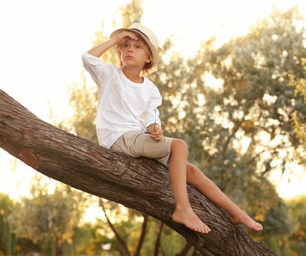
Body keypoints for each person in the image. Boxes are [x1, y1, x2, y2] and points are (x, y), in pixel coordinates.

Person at [82, 22, 263, 234]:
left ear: (148, 58)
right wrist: (115, 38)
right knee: (180, 146)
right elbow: (88, 58)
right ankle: (183, 209)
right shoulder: (110, 75)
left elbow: (151, 118)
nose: (129, 49)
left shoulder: (150, 89)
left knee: (192, 171)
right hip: (118, 138)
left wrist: (155, 128)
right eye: (126, 45)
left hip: (137, 137)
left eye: (137, 47)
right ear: (120, 50)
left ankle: (236, 212)